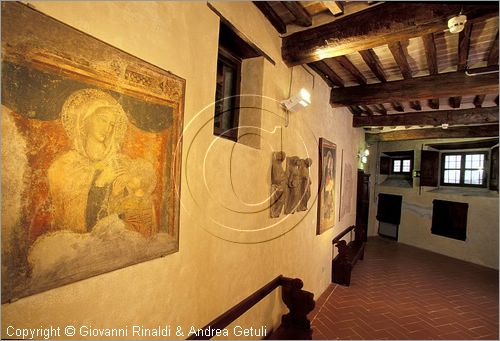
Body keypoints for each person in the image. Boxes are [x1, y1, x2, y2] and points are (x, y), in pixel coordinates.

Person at [48, 88, 156, 236]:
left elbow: (135, 208)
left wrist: (118, 193)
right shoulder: (66, 164)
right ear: (86, 119)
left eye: (112, 124)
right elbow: (70, 219)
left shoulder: (120, 161)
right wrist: (100, 182)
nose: (107, 128)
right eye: (102, 119)